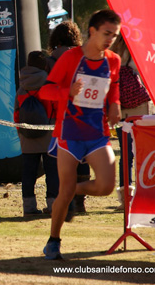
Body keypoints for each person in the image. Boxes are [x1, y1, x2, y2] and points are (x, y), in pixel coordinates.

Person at [39, 9, 122, 260]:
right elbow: (45, 92)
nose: (110, 40)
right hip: (69, 134)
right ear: (92, 31)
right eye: (106, 33)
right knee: (63, 193)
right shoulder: (71, 58)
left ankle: (75, 190)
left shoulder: (113, 61)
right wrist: (68, 91)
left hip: (97, 133)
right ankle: (53, 241)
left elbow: (113, 87)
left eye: (115, 36)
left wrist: (115, 104)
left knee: (107, 185)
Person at [47, 20, 90, 214]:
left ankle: (63, 200)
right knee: (83, 161)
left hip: (59, 117)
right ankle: (80, 202)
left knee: (63, 163)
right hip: (84, 114)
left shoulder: (50, 59)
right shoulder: (85, 56)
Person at [110, 34, 154, 210]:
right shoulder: (137, 51)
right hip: (140, 108)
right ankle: (145, 194)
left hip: (121, 107)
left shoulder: (112, 53)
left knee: (125, 155)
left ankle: (125, 197)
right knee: (142, 153)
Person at [14, 51, 58, 216]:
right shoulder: (49, 84)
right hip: (49, 136)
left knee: (28, 174)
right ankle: (53, 205)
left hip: (27, 137)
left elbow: (16, 113)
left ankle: (29, 207)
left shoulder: (21, 87)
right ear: (44, 65)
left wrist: (21, 132)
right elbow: (57, 108)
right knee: (52, 172)